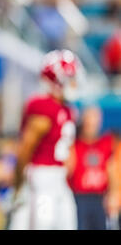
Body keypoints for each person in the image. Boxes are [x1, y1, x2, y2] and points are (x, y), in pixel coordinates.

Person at [9, 49, 84, 230]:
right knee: (44, 224)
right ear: (57, 81)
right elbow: (25, 148)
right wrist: (18, 184)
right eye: (70, 78)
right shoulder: (43, 108)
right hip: (41, 177)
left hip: (59, 179)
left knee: (67, 224)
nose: (74, 83)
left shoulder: (67, 109)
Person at [67, 105, 115, 230]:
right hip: (79, 198)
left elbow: (112, 170)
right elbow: (68, 170)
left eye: (95, 121)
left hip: (100, 198)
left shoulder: (106, 144)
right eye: (89, 121)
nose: (91, 125)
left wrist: (114, 194)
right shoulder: (74, 145)